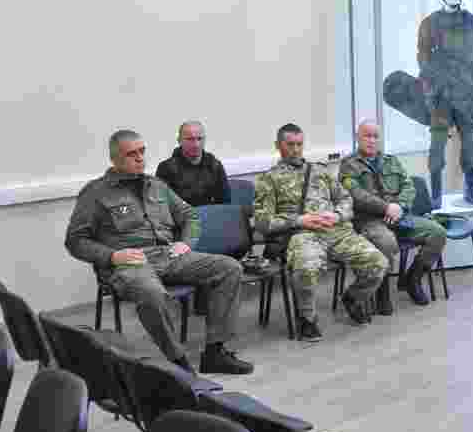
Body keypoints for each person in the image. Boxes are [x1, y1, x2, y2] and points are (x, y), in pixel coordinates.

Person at [65, 129, 253, 375]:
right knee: (152, 293)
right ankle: (177, 362)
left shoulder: (156, 186)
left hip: (168, 256)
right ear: (114, 159)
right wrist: (111, 256)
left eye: (142, 152)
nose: (140, 158)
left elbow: (189, 215)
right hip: (129, 264)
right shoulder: (95, 193)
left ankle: (215, 352)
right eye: (131, 154)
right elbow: (75, 240)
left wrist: (186, 242)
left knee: (229, 268)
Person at [253, 123, 389, 341]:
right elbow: (262, 222)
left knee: (378, 264)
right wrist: (300, 219)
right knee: (306, 267)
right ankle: (307, 317)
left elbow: (346, 199)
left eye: (299, 144)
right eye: (290, 145)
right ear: (278, 146)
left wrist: (337, 215)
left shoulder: (320, 171)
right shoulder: (269, 179)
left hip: (336, 231)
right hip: (302, 234)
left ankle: (353, 297)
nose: (296, 150)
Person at [339, 119, 448, 314]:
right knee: (387, 242)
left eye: (375, 136)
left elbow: (408, 186)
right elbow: (357, 195)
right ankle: (382, 292)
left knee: (437, 233)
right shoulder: (349, 165)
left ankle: (412, 280)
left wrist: (399, 206)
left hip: (399, 216)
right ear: (358, 138)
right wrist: (386, 208)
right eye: (367, 136)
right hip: (369, 220)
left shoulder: (391, 161)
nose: (371, 140)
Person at [417, 0, 473, 208]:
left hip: (466, 93)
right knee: (437, 145)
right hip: (441, 94)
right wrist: (431, 90)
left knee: (469, 144)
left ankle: (472, 190)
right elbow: (424, 60)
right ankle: (435, 194)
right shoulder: (430, 23)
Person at [155, 120, 231, 207]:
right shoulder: (165, 168)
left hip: (209, 217)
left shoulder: (214, 164)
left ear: (205, 139)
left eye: (199, 139)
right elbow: (162, 207)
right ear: (179, 141)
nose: (196, 145)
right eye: (190, 139)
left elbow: (225, 203)